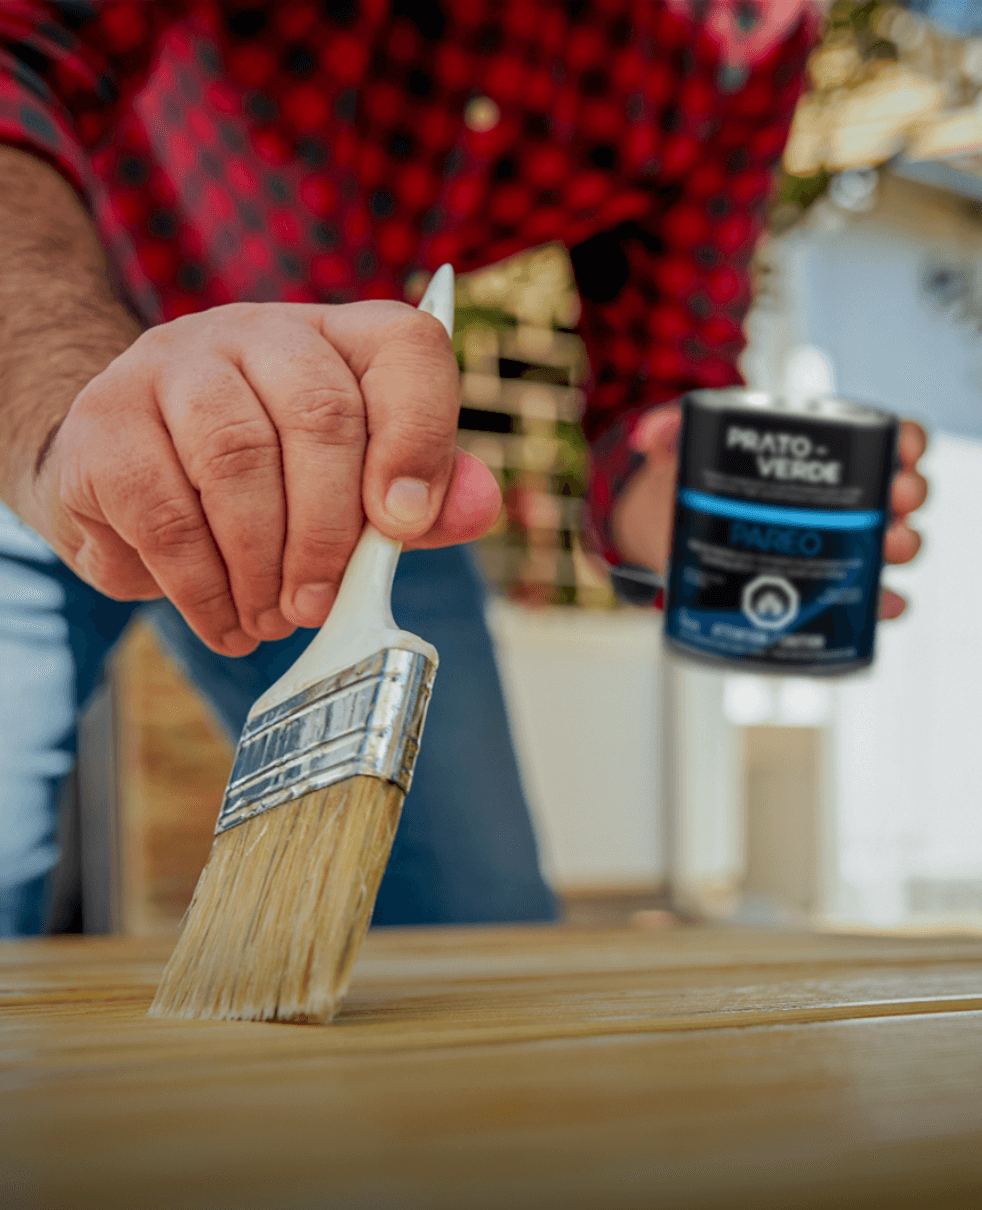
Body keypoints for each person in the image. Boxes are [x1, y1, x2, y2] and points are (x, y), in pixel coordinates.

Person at [0, 1, 927, 935]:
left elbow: (659, 383)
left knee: (482, 925)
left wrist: (698, 510)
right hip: (38, 388)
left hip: (351, 489)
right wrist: (57, 403)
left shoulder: (752, 30)